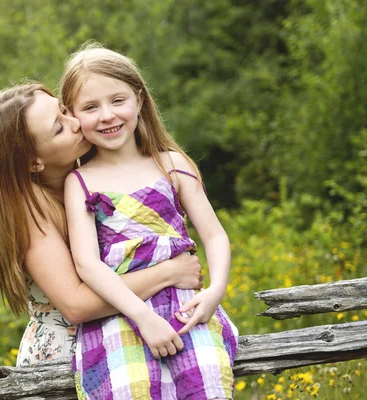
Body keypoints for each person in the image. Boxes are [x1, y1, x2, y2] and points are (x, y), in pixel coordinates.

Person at [0, 83, 204, 367]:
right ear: (34, 162)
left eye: (65, 111)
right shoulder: (29, 211)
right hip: (64, 360)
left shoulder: (89, 178)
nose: (76, 122)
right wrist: (169, 272)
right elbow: (76, 305)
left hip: (124, 344)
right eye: (59, 127)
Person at [60, 45, 238, 399]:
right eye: (91, 107)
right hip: (119, 313)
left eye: (117, 100)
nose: (107, 116)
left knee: (207, 385)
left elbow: (215, 237)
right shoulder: (79, 182)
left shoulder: (171, 164)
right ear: (73, 115)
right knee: (132, 389)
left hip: (186, 306)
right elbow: (87, 264)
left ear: (139, 100)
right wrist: (143, 317)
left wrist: (215, 292)